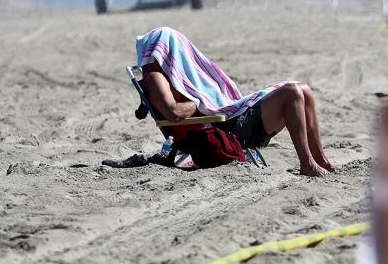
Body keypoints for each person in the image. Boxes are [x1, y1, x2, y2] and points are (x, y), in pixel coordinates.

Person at [136, 27, 335, 176]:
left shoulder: (173, 75)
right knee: (291, 92)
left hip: (225, 120)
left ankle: (321, 160)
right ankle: (306, 163)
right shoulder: (155, 77)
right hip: (224, 129)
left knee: (304, 90)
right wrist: (199, 102)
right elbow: (174, 113)